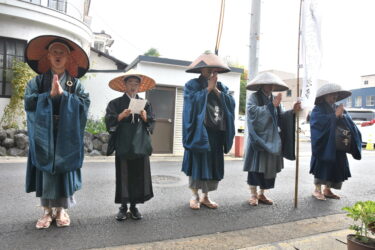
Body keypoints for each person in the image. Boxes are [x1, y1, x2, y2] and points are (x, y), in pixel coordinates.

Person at [24, 35, 90, 229]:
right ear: (48, 56)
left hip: (66, 134)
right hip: (44, 133)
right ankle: (46, 211)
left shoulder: (75, 84)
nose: (59, 56)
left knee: (64, 171)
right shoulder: (37, 81)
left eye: (63, 53)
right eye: (55, 52)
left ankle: (61, 210)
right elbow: (28, 102)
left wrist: (64, 96)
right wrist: (48, 96)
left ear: (69, 58)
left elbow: (85, 103)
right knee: (45, 171)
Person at [182, 53, 235, 210]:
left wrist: (217, 91)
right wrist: (207, 89)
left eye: (214, 70)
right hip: (199, 132)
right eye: (208, 69)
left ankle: (206, 196)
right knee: (197, 164)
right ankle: (194, 196)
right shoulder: (191, 85)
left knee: (212, 165)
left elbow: (230, 103)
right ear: (201, 70)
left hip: (216, 133)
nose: (211, 72)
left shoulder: (223, 87)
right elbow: (190, 104)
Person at [243, 72, 301, 206]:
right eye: (268, 84)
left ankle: (262, 194)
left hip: (272, 138)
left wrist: (292, 111)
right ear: (262, 84)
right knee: (256, 167)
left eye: (272, 85)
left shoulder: (274, 99)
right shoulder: (254, 97)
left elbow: (280, 116)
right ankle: (253, 194)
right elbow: (252, 112)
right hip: (258, 138)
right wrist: (271, 106)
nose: (270, 87)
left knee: (268, 168)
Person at [105, 69, 155, 220]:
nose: (133, 86)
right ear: (124, 85)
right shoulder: (115, 103)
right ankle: (123, 206)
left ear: (139, 86)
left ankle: (134, 206)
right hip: (123, 143)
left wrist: (146, 118)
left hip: (140, 144)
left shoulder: (145, 104)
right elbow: (109, 121)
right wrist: (121, 115)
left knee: (139, 174)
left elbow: (151, 123)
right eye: (130, 83)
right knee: (123, 174)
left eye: (136, 83)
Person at [310, 83, 362, 200]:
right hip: (324, 144)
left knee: (336, 166)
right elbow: (317, 123)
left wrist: (342, 116)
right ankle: (317, 190)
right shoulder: (318, 108)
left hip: (337, 144)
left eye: (336, 94)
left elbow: (349, 122)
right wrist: (334, 116)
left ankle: (328, 189)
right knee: (322, 165)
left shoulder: (338, 107)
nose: (334, 97)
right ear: (324, 96)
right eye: (332, 94)